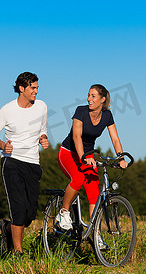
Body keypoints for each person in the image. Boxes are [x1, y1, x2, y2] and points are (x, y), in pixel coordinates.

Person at [55, 84, 128, 248]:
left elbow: (115, 139)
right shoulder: (81, 111)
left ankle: (96, 234)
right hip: (69, 152)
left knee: (95, 192)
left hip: (87, 156)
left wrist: (121, 157)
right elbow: (76, 136)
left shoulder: (107, 116)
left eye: (93, 96)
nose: (89, 98)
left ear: (102, 99)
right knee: (79, 178)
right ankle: (64, 212)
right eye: (88, 95)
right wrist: (82, 157)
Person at [0, 72, 48, 256]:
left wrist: (43, 139)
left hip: (33, 163)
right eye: (33, 88)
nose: (36, 91)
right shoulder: (7, 109)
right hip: (11, 162)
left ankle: (6, 228)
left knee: (29, 215)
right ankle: (17, 252)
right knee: (18, 208)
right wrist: (3, 145)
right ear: (21, 88)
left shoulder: (42, 107)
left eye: (37, 87)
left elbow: (42, 131)